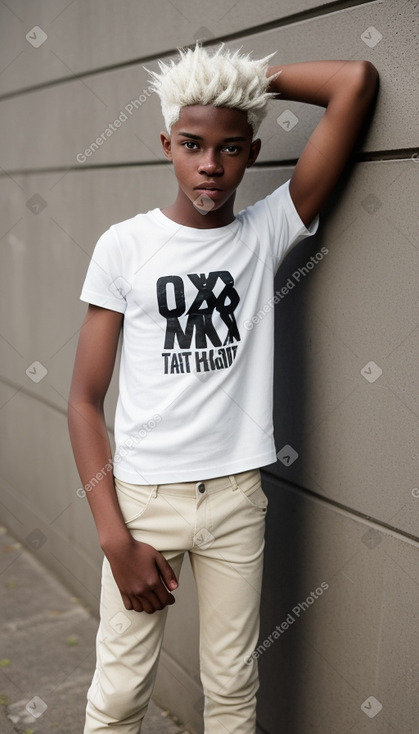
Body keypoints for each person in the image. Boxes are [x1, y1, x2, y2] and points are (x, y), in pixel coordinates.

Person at [68, 43, 378, 734]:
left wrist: (239, 80)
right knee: (119, 695)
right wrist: (114, 537)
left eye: (231, 148)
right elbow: (84, 400)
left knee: (233, 689)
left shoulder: (264, 231)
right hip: (142, 501)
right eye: (192, 144)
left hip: (235, 500)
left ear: (252, 150)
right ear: (165, 144)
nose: (211, 165)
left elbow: (354, 82)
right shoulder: (124, 245)